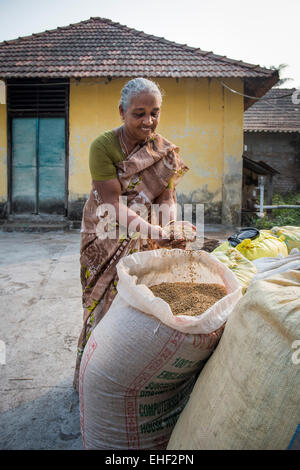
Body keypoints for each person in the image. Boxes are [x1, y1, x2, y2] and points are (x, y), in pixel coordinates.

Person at [73, 77, 195, 391]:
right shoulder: (103, 146)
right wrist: (156, 230)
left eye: (155, 112)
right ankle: (93, 376)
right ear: (122, 112)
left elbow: (166, 197)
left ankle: (128, 376)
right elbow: (112, 203)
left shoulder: (163, 151)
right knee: (105, 304)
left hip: (144, 235)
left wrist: (169, 228)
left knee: (139, 304)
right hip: (105, 234)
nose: (148, 121)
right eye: (138, 113)